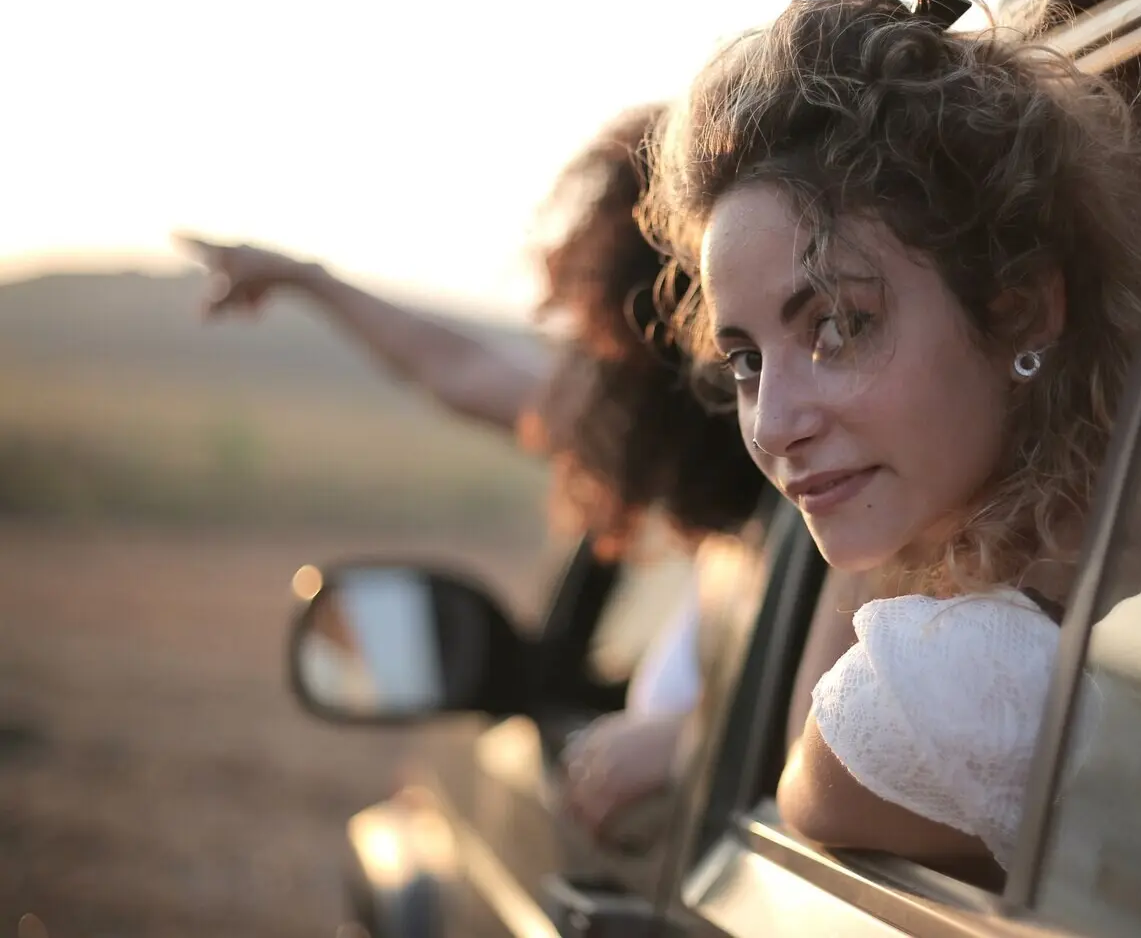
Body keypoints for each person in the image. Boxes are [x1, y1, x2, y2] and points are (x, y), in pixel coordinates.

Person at [642, 0, 1141, 876]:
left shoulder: (955, 687)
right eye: (747, 359)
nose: (776, 424)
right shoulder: (1111, 621)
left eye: (835, 326)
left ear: (1021, 314)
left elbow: (810, 777)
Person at [177, 104, 766, 839]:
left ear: (661, 360)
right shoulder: (751, 545)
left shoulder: (810, 549)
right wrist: (310, 281)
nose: (569, 373)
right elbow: (458, 368)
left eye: (594, 345)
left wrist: (689, 746)